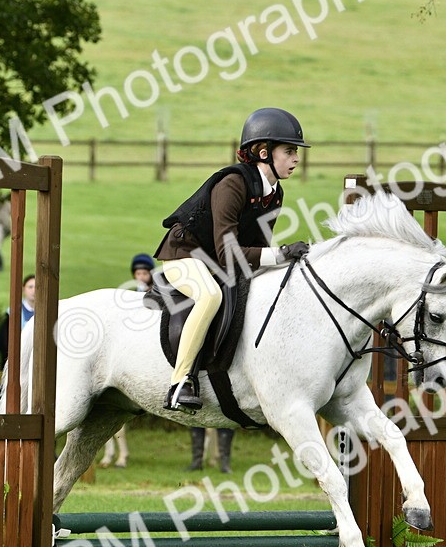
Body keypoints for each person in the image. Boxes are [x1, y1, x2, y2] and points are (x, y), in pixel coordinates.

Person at [154, 108, 311, 411]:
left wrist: (286, 262)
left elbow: (257, 249)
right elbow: (229, 253)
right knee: (209, 296)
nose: (296, 159)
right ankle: (179, 383)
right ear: (263, 152)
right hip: (184, 255)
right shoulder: (233, 184)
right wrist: (281, 253)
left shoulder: (274, 193)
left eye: (296, 152)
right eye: (289, 151)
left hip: (217, 260)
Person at [99, 254, 156, 468]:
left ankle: (120, 453)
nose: (140, 277)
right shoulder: (130, 295)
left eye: (144, 273)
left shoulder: (156, 294)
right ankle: (115, 453)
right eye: (137, 273)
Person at [0, 274, 35, 368]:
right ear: (24, 289)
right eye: (30, 287)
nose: (34, 290)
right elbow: (3, 341)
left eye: (36, 287)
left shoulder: (45, 312)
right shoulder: (13, 313)